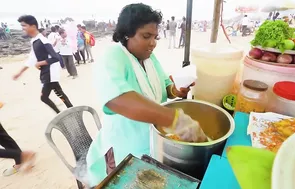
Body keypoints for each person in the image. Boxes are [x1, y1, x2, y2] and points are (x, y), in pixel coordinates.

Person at [86, 3, 207, 187]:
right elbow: (117, 99)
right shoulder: (113, 56)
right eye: (146, 36)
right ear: (127, 34)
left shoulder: (148, 58)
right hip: (123, 149)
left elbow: (165, 85)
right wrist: (176, 120)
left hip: (153, 144)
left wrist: (176, 90)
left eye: (155, 37)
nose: (153, 43)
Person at [13, 15, 73, 114]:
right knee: (59, 93)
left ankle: (60, 113)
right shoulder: (34, 41)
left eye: (24, 26)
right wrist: (19, 73)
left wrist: (40, 63)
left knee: (44, 97)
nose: (22, 28)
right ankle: (69, 110)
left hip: (50, 73)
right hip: (46, 72)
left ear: (33, 26)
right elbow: (31, 59)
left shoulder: (43, 40)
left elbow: (56, 57)